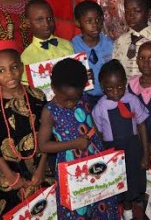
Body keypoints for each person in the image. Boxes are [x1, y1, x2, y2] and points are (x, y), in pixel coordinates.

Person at [38, 58, 120, 220]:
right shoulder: (50, 111)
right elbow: (43, 145)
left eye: (76, 98)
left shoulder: (84, 99)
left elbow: (92, 124)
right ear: (54, 88)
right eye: (67, 99)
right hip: (71, 167)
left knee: (100, 199)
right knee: (78, 207)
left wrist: (104, 150)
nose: (72, 103)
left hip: (95, 157)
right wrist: (74, 143)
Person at [0, 40, 47, 215]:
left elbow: (47, 137)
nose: (10, 74)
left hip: (41, 171)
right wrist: (10, 176)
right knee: (16, 212)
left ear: (22, 67)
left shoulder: (37, 96)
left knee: (47, 211)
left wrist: (40, 171)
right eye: (1, 71)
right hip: (9, 176)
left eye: (14, 67)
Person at [93, 59, 150, 220]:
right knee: (118, 182)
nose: (116, 92)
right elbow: (98, 132)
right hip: (113, 150)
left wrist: (145, 153)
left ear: (125, 83)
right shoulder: (100, 107)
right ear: (102, 87)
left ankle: (130, 209)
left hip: (132, 148)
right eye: (110, 89)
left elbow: (141, 126)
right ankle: (123, 211)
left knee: (132, 180)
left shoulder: (132, 100)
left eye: (120, 87)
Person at [20, 0, 74, 84]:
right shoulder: (26, 57)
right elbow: (29, 90)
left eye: (49, 18)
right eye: (40, 20)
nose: (46, 24)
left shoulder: (68, 45)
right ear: (28, 23)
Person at [71, 0, 113, 107]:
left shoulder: (110, 44)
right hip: (84, 98)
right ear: (77, 23)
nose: (95, 25)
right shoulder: (73, 47)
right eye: (88, 21)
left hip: (108, 95)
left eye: (98, 19)